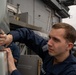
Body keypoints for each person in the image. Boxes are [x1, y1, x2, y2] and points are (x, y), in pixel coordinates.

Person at [1, 23, 76, 75]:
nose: (49, 43)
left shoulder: (71, 72)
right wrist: (10, 37)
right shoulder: (48, 50)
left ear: (69, 46)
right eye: (50, 37)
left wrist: (13, 69)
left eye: (56, 40)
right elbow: (28, 35)